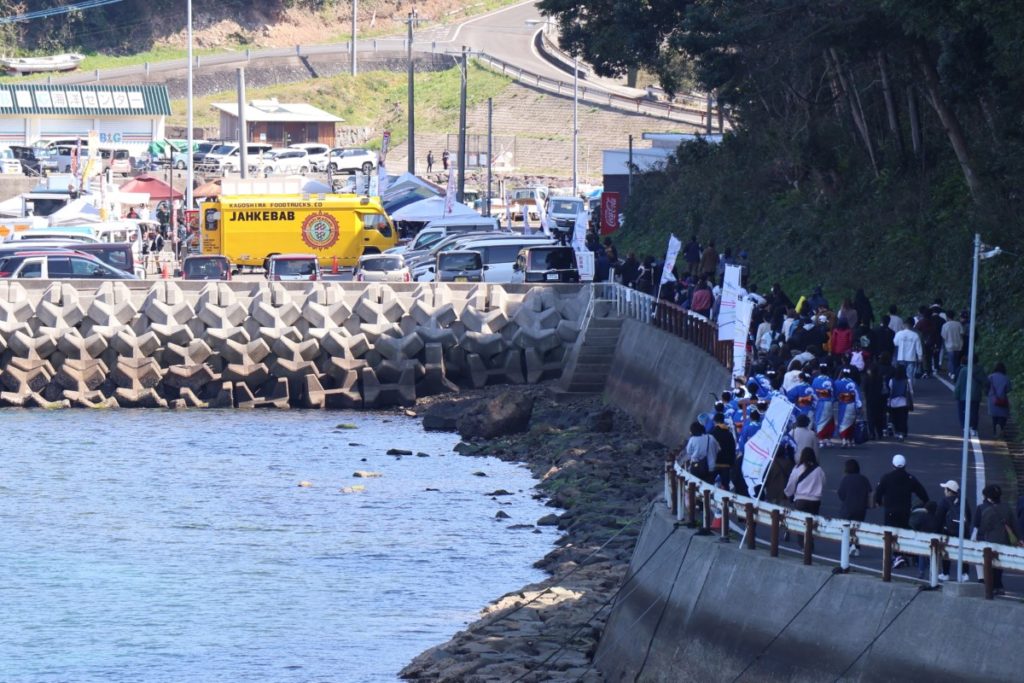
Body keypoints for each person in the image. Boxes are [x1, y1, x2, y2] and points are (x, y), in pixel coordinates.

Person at [874, 454, 929, 569]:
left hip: (890, 511)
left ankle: (897, 556)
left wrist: (878, 502)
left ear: (893, 465)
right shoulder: (910, 478)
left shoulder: (886, 477)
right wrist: (926, 503)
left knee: (890, 534)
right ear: (905, 465)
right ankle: (906, 554)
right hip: (905, 511)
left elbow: (878, 494)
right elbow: (922, 493)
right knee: (903, 532)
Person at [974, 484, 1020, 593]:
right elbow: (1015, 525)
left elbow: (977, 525)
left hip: (987, 541)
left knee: (988, 564)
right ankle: (998, 585)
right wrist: (1020, 539)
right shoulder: (1007, 508)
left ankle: (991, 586)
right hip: (1004, 541)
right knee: (999, 564)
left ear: (987, 496)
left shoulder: (982, 508)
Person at [785, 448, 825, 549]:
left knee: (801, 523)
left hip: (801, 499)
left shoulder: (798, 468)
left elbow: (791, 482)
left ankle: (803, 545)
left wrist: (788, 493)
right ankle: (810, 543)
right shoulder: (818, 469)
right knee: (812, 523)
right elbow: (823, 482)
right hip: (815, 501)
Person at [936, 479, 971, 581]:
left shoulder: (944, 501)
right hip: (963, 531)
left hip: (948, 531)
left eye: (945, 489)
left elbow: (939, 517)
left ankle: (946, 573)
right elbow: (968, 515)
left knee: (946, 551)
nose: (944, 491)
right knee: (963, 551)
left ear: (949, 491)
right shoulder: (963, 500)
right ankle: (964, 574)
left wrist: (938, 531)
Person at [837, 458, 872, 555]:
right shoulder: (864, 479)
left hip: (847, 509)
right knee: (857, 528)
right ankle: (856, 547)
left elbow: (841, 494)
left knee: (846, 528)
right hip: (861, 509)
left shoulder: (845, 479)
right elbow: (870, 492)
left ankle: (850, 546)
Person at [954, 355, 986, 437]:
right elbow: (985, 382)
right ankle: (973, 428)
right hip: (976, 395)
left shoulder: (963, 370)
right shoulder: (980, 370)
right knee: (974, 412)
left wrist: (956, 394)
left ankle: (965, 426)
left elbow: (959, 384)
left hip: (963, 395)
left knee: (962, 411)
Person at [909, 500, 940, 578]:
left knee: (922, 555)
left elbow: (916, 524)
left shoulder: (923, 516)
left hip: (923, 538)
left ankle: (921, 571)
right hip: (934, 539)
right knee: (933, 556)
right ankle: (933, 573)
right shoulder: (936, 518)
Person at [893, 317, 922, 383]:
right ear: (913, 325)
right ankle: (910, 387)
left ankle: (902, 387)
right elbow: (918, 347)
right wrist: (920, 357)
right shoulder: (915, 335)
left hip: (901, 357)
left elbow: (895, 344)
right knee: (910, 375)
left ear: (904, 324)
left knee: (901, 375)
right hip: (911, 358)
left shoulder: (899, 334)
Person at [988, 362, 1012, 436]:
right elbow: (1008, 389)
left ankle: (995, 431)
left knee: (994, 417)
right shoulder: (1006, 378)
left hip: (992, 400)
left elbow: (986, 387)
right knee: (1003, 416)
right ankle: (1000, 426)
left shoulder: (990, 377)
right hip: (1002, 400)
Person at [940, 311, 964, 380]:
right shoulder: (958, 324)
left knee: (951, 360)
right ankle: (956, 373)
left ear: (947, 317)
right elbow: (962, 334)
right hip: (958, 345)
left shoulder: (945, 325)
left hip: (949, 346)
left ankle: (952, 373)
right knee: (957, 361)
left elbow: (943, 336)